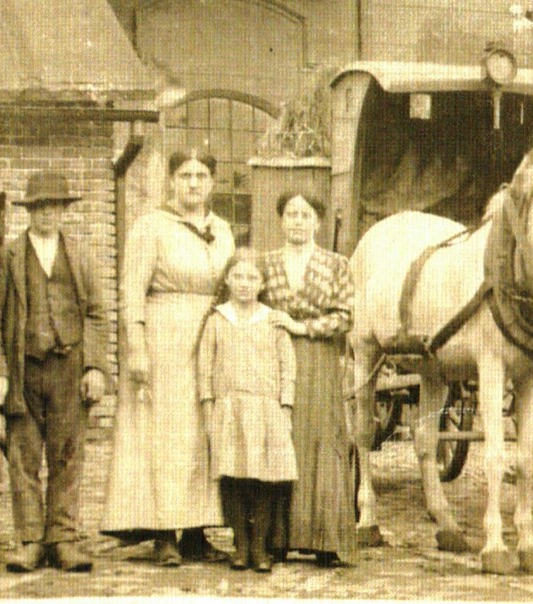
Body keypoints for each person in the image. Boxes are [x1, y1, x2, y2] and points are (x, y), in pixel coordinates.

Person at [104, 150, 234, 566]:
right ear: (172, 182)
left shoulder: (222, 230)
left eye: (201, 175)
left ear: (212, 182)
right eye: (185, 175)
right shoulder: (151, 226)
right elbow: (131, 290)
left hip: (210, 339)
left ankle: (197, 532)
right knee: (162, 435)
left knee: (202, 435)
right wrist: (136, 345)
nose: (193, 183)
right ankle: (163, 532)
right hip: (163, 339)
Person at [0, 172, 110, 574]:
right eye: (39, 207)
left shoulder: (80, 255)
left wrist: (94, 366)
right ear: (29, 211)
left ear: (63, 211)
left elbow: (97, 314)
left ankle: (63, 538)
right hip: (24, 369)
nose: (47, 214)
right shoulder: (9, 256)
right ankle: (31, 540)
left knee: (68, 455)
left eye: (54, 207)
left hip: (69, 367)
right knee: (23, 456)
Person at [257, 192, 359, 566]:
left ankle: (325, 539)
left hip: (319, 359)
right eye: (291, 214)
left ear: (317, 221)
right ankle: (277, 538)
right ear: (281, 220)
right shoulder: (265, 263)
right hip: (275, 358)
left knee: (322, 439)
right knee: (281, 439)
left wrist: (302, 327)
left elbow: (345, 317)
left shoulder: (336, 264)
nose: (298, 221)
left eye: (305, 215)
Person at [199, 250, 299, 573]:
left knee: (264, 477)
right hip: (229, 408)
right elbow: (204, 367)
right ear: (227, 280)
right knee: (232, 477)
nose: (244, 284)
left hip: (266, 408)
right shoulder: (217, 320)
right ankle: (240, 545)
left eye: (252, 277)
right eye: (238, 276)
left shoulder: (273, 320)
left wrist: (285, 405)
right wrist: (208, 405)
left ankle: (259, 546)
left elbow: (287, 366)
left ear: (262, 283)